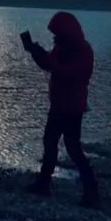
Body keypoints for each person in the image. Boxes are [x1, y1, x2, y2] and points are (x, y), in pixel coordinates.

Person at [24, 11, 99, 207]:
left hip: (72, 107)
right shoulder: (62, 48)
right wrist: (36, 53)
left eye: (57, 33)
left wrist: (47, 59)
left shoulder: (84, 51)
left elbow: (65, 73)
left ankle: (91, 189)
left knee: (73, 148)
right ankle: (43, 184)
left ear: (67, 33)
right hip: (58, 105)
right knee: (50, 143)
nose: (54, 37)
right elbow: (50, 66)